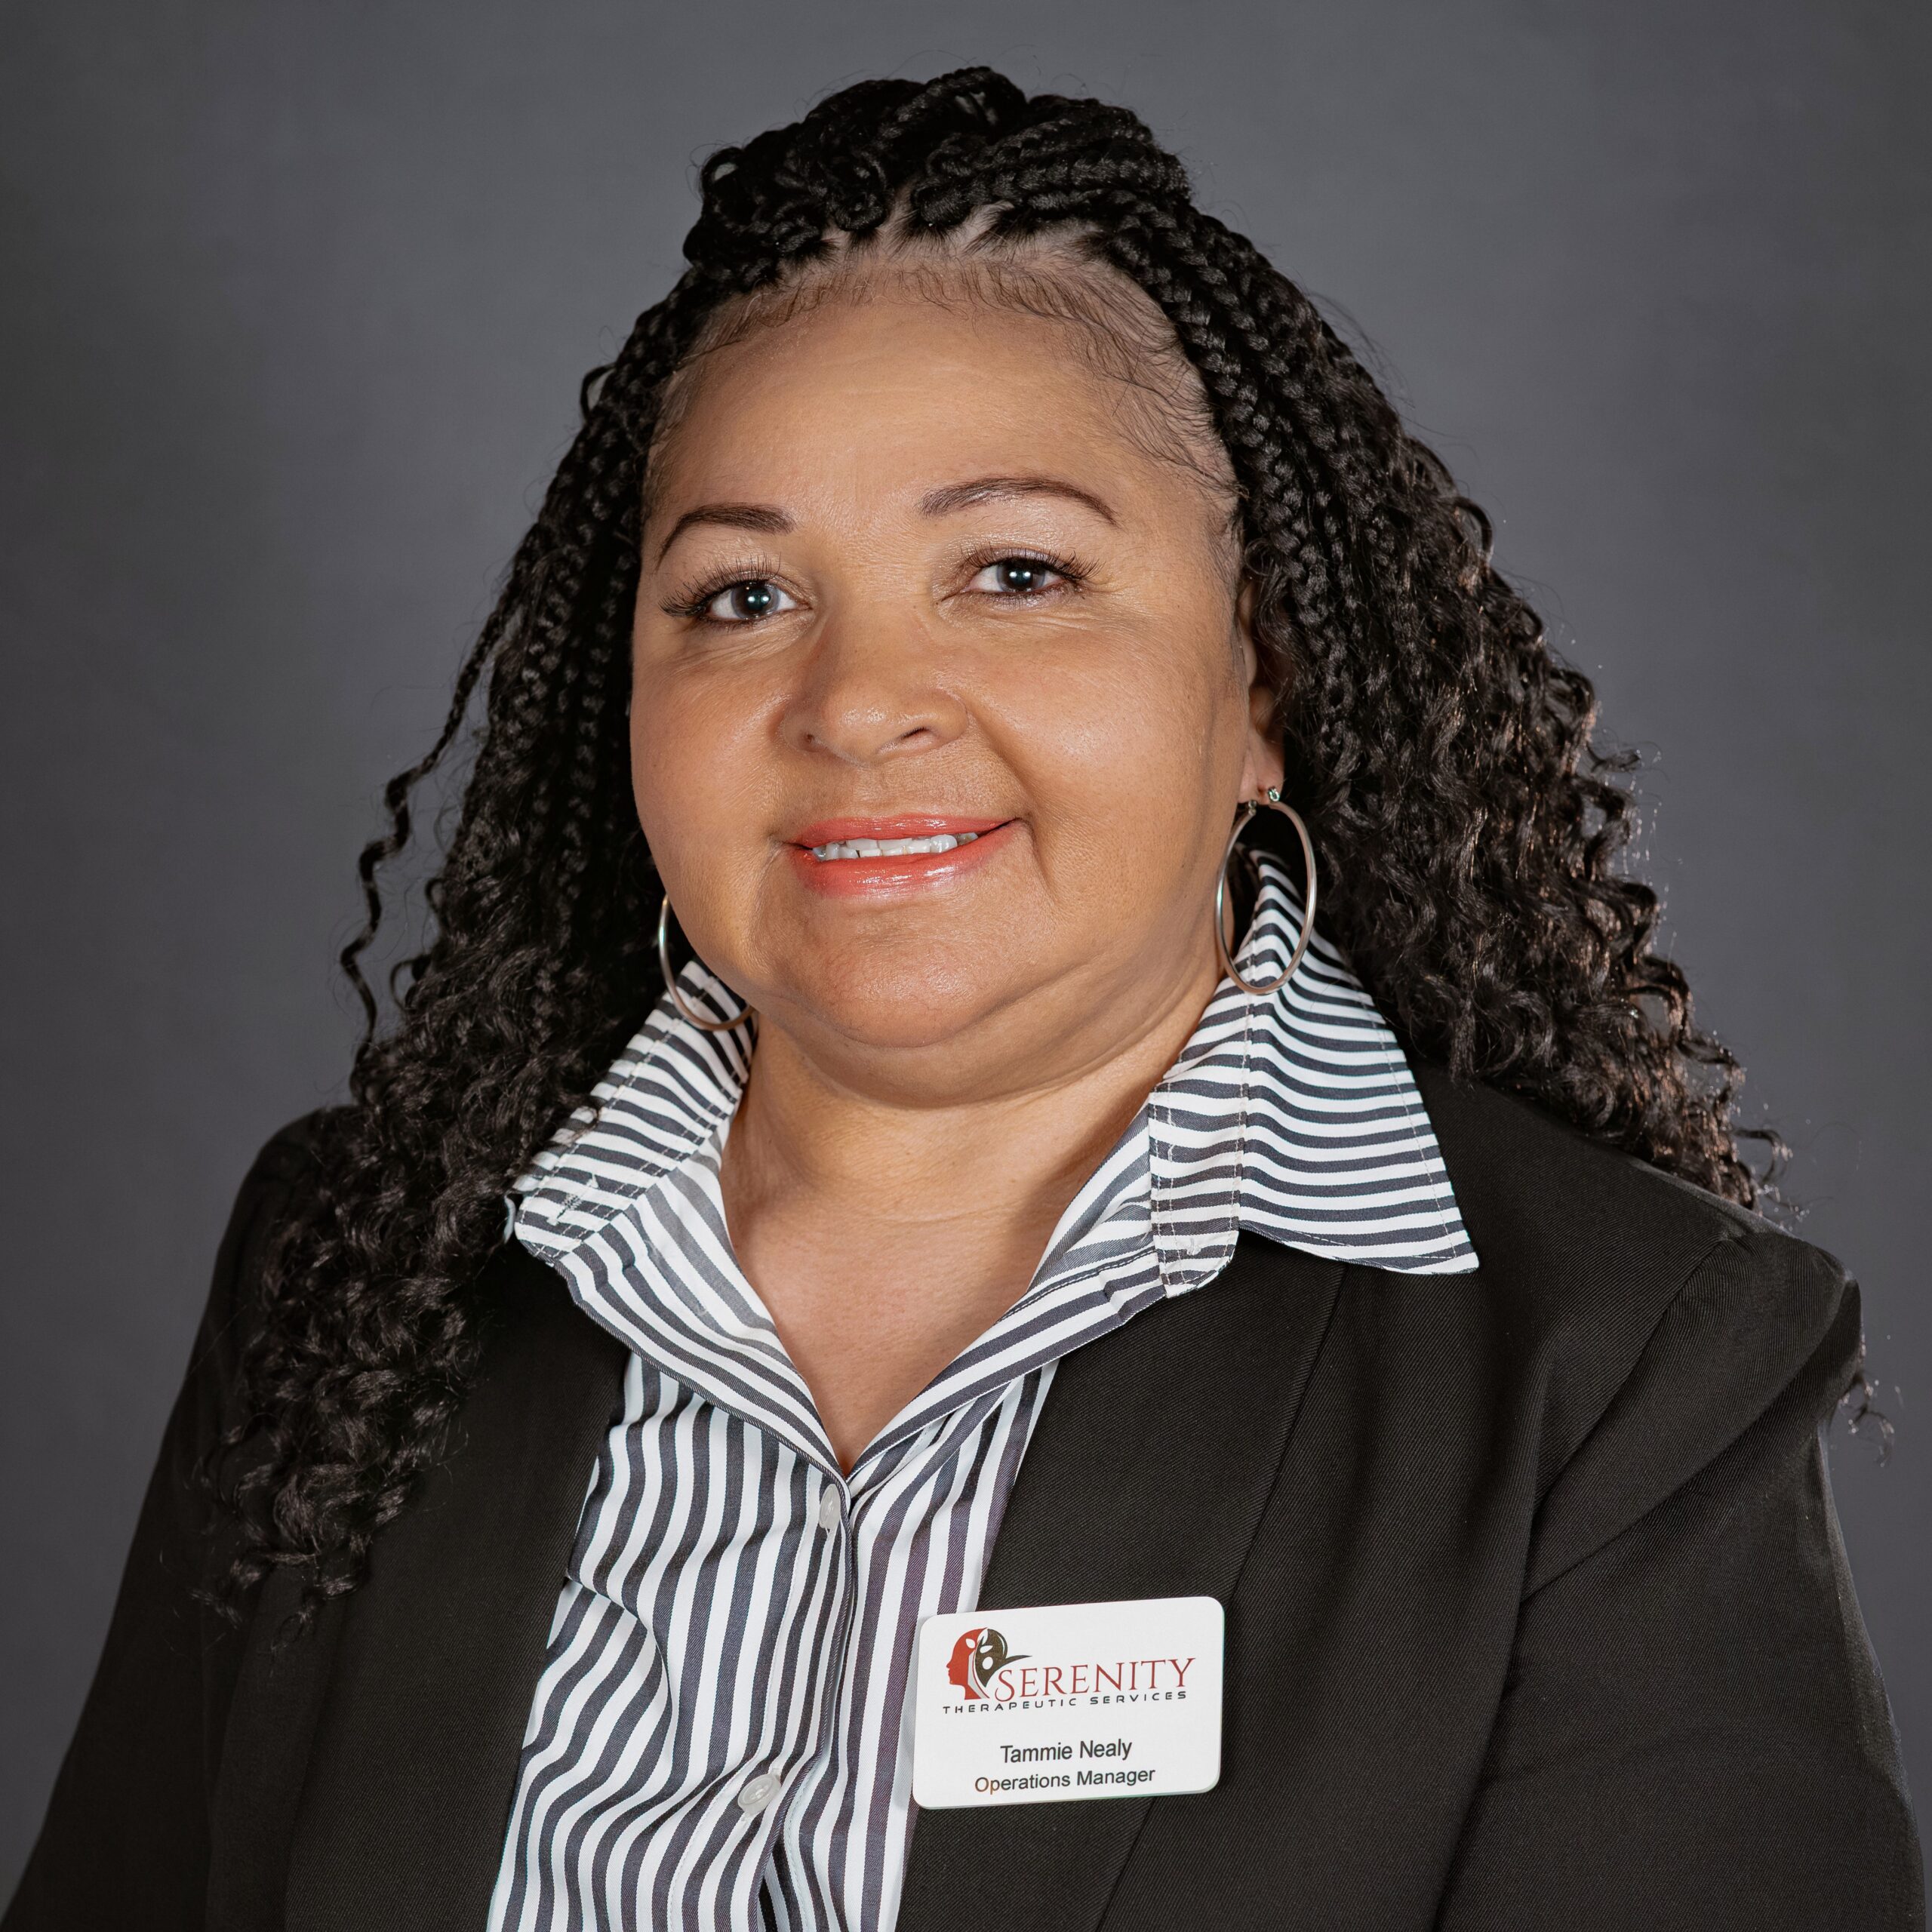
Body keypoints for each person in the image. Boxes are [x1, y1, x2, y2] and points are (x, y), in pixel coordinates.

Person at [6, 68, 1921, 1932]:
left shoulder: (1619, 1359)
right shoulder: (359, 1264)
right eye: (742, 596)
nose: (854, 703)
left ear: (1263, 680)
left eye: (1013, 571)